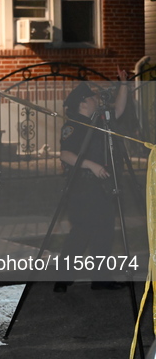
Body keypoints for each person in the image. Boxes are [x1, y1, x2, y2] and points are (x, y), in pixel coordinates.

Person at [54, 69, 129, 293]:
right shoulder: (74, 124)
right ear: (84, 102)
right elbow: (65, 154)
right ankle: (63, 277)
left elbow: (119, 109)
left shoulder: (101, 122)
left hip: (102, 187)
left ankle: (101, 278)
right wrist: (92, 165)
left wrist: (123, 84)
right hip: (83, 187)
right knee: (82, 231)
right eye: (93, 96)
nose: (98, 99)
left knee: (104, 231)